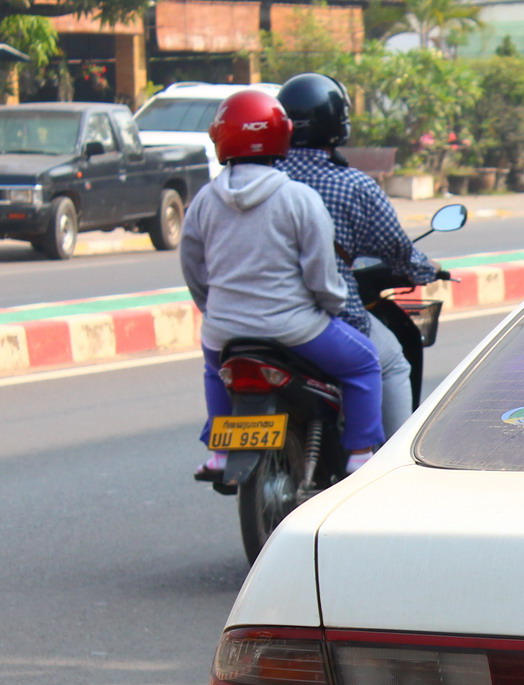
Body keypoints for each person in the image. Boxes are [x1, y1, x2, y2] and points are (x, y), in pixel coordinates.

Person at [180, 89, 382, 482]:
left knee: (214, 369)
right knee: (364, 363)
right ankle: (359, 453)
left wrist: (215, 308)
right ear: (281, 136)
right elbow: (321, 274)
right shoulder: (298, 198)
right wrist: (333, 304)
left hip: (225, 332)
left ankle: (221, 452)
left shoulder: (204, 200)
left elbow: (192, 265)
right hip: (296, 330)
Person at [276, 72, 440, 439]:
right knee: (392, 361)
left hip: (244, 320)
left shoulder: (262, 178)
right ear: (338, 124)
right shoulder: (351, 185)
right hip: (319, 317)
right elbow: (395, 249)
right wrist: (425, 269)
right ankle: (390, 467)